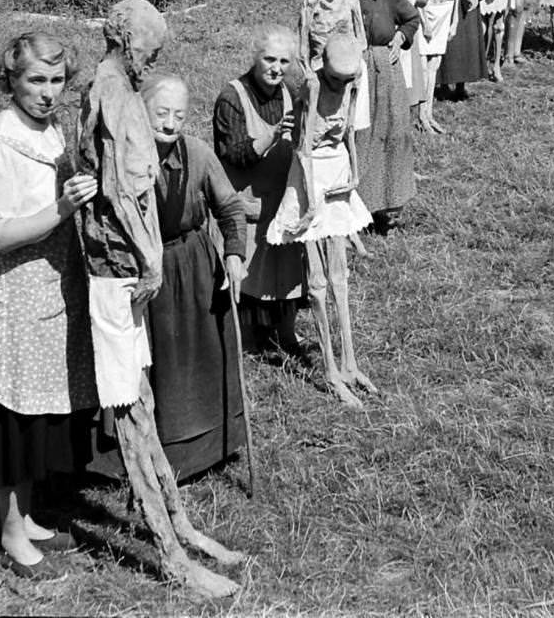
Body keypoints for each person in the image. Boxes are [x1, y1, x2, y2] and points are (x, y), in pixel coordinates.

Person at [77, 0, 241, 599]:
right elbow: (123, 195)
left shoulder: (116, 87)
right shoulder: (115, 96)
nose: (155, 56)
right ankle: (170, 556)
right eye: (151, 45)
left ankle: (180, 524)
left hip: (127, 270)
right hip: (117, 272)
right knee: (130, 411)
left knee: (141, 399)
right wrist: (149, 263)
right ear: (127, 38)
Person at [0, 32, 97, 580]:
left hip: (51, 287)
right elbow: (0, 234)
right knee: (11, 416)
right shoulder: (2, 144)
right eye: (35, 81)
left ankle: (27, 518)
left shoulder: (48, 129)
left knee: (38, 409)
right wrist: (63, 208)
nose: (48, 93)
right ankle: (8, 528)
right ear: (12, 82)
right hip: (18, 290)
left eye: (56, 81)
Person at [133, 74, 250, 480]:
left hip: (193, 267)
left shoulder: (197, 153)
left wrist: (234, 255)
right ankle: (139, 452)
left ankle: (204, 449)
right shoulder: (122, 157)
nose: (170, 124)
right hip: (141, 273)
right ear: (139, 110)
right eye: (161, 113)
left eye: (178, 115)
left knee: (199, 357)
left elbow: (231, 208)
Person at [267, 35, 377, 409]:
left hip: (339, 174)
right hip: (309, 175)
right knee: (317, 282)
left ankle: (350, 363)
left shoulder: (353, 77)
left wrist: (356, 175)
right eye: (337, 81)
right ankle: (329, 370)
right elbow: (301, 149)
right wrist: (310, 206)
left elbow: (348, 133)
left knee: (341, 278)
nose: (343, 87)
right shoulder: (312, 85)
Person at [213, 27, 303, 358]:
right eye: (269, 59)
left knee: (288, 272)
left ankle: (286, 335)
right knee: (248, 278)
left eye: (284, 61)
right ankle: (246, 341)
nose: (276, 68)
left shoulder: (291, 92)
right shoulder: (232, 97)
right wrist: (273, 135)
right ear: (255, 57)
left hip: (282, 202)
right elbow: (234, 154)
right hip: (247, 203)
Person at [343, 0, 419, 230]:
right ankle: (353, 207)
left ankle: (386, 204)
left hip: (384, 72)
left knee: (390, 133)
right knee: (356, 136)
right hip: (348, 72)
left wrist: (400, 38)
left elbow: (412, 19)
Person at [297, 0, 368, 131]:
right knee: (320, 126)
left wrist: (353, 65)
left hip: (349, 67)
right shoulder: (312, 0)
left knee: (350, 124)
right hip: (320, 69)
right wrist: (308, 72)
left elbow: (361, 38)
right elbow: (302, 42)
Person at [413, 0, 468, 133]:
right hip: (429, 11)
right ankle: (420, 115)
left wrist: (454, 21)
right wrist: (424, 21)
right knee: (424, 64)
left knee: (435, 63)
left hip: (446, 10)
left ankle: (429, 113)